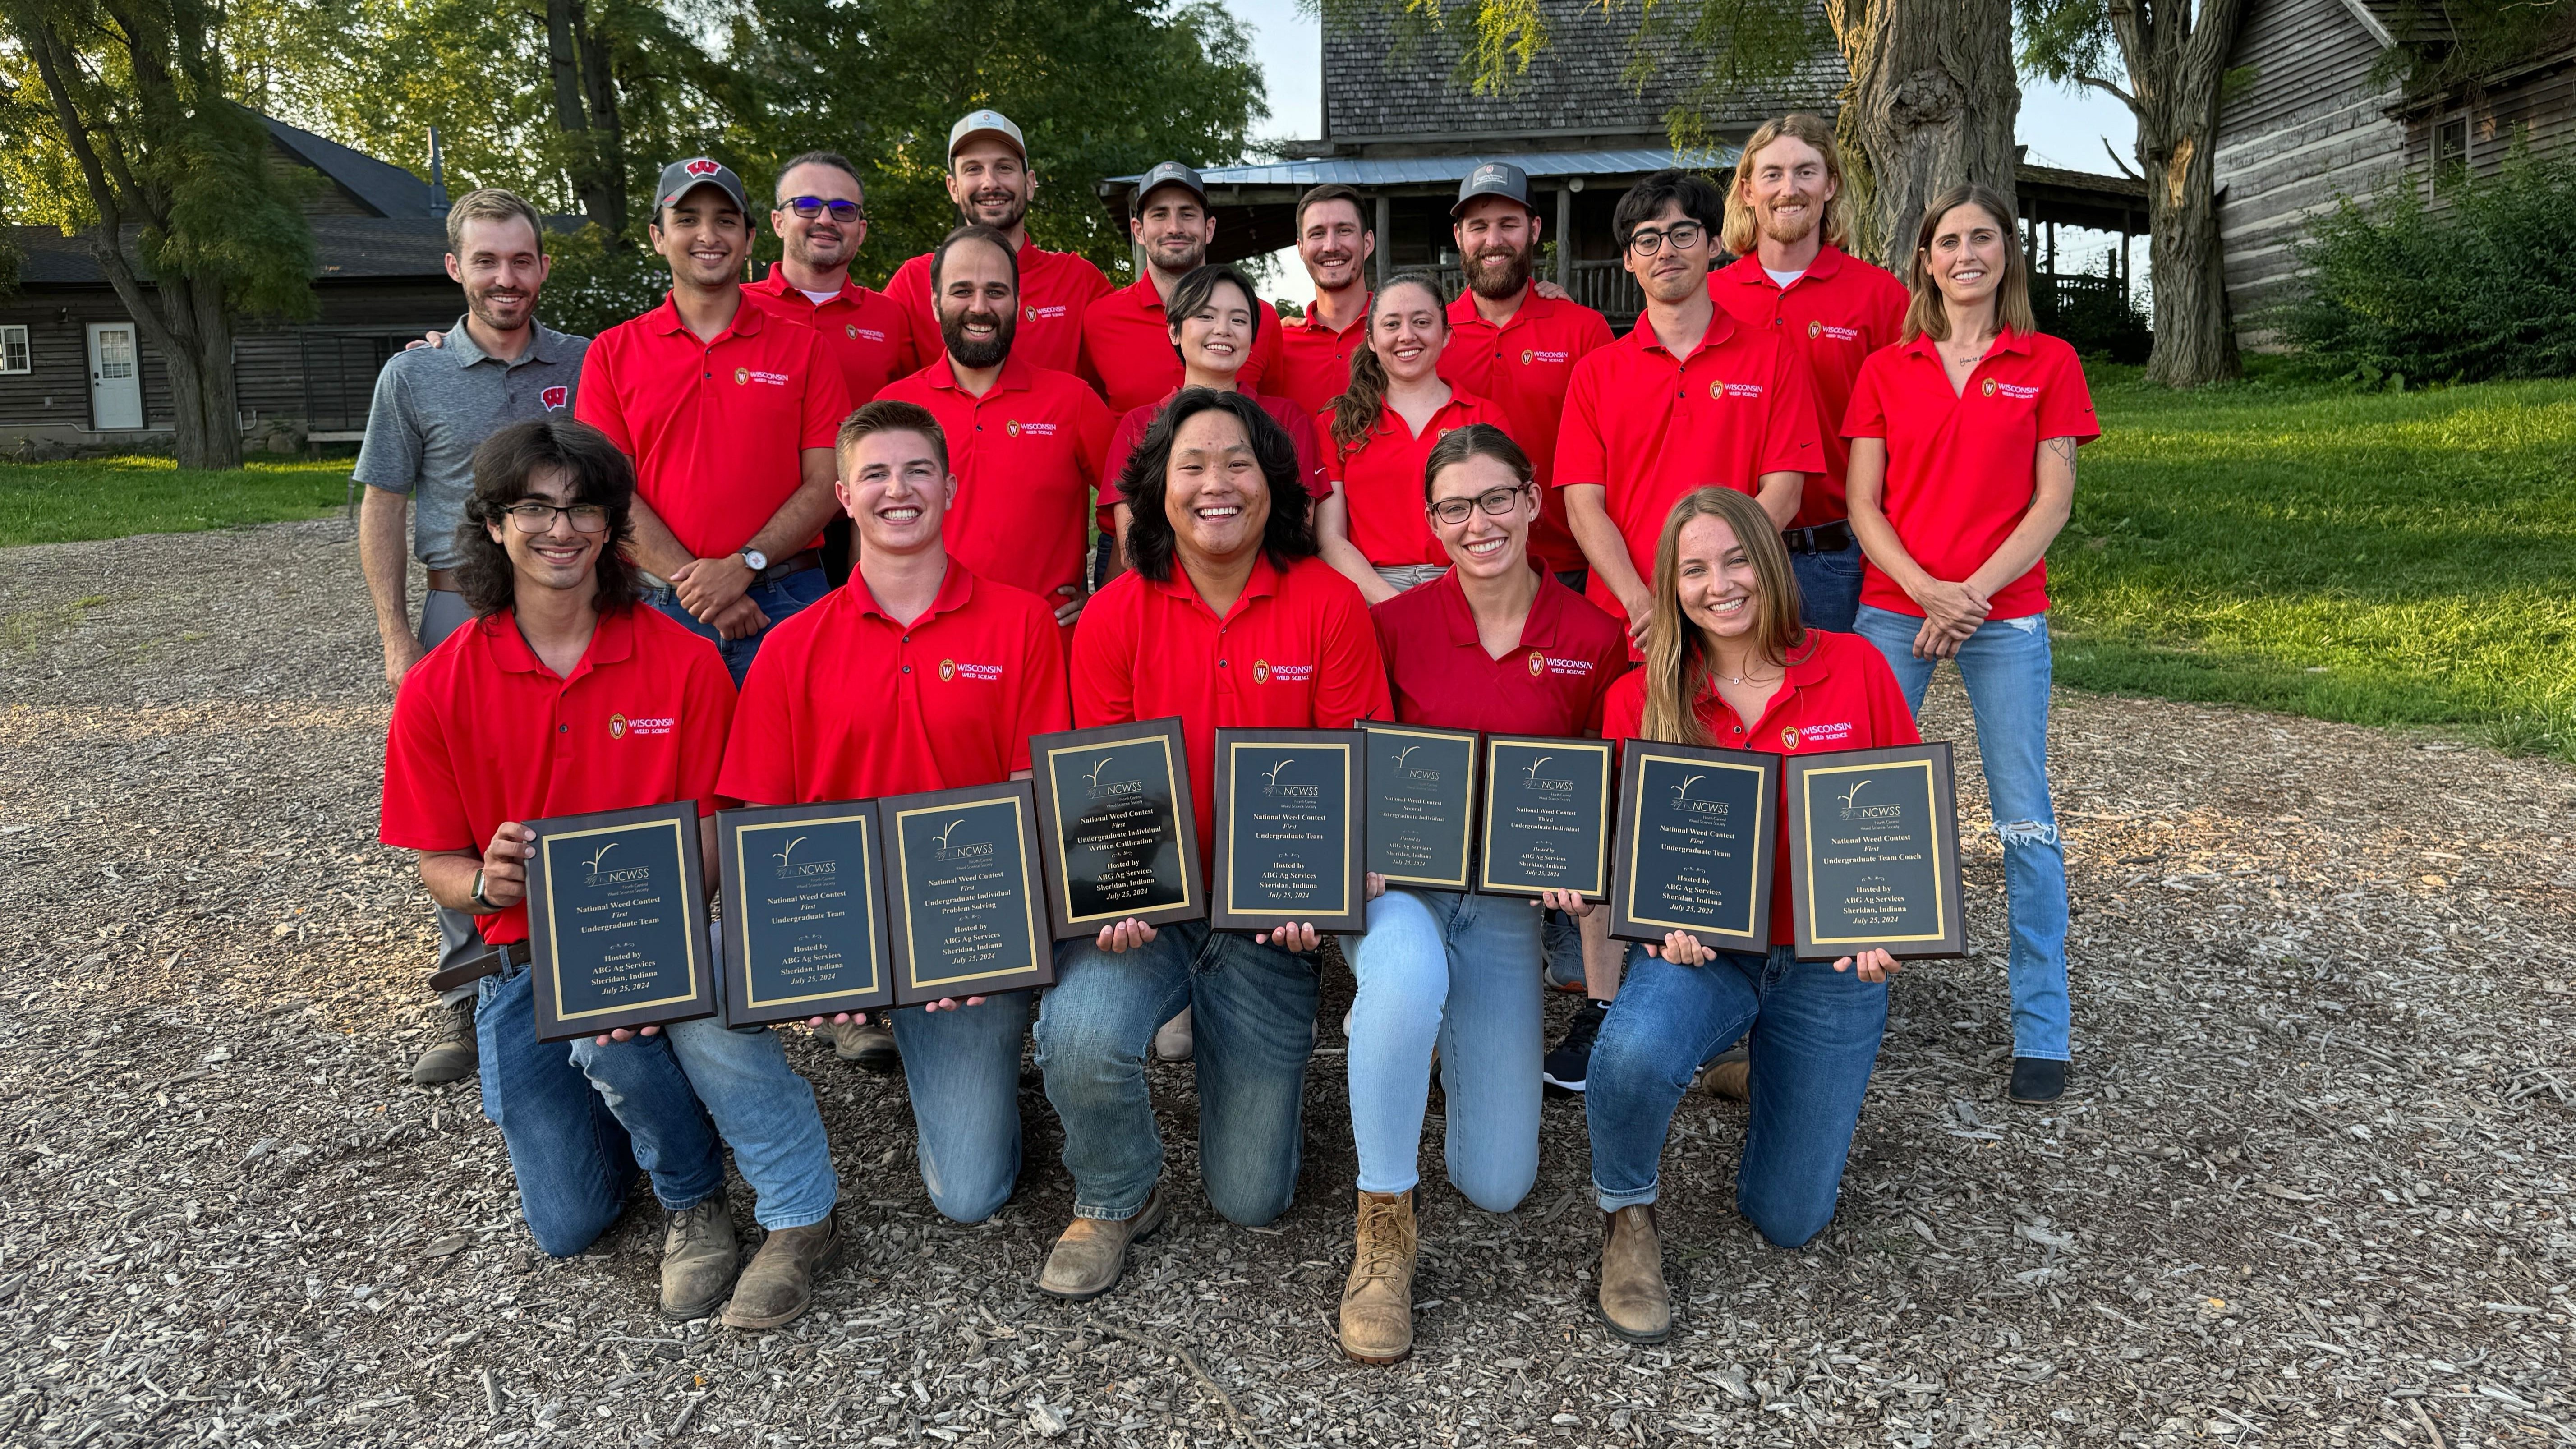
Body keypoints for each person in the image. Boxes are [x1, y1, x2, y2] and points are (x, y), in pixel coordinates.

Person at [379, 417, 842, 1329]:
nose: (561, 529)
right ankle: (662, 1111)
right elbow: (436, 863)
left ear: (611, 526)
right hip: (521, 960)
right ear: (494, 524)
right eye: (535, 509)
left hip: (665, 933)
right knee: (570, 1221)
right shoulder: (440, 684)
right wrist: (486, 885)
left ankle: (695, 1196)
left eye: (583, 508)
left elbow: (716, 824)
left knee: (620, 1031)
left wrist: (650, 943)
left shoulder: (685, 661)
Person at [1031, 389, 1390, 1302]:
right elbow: (1103, 789)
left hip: (1268, 923)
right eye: (1191, 465)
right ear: (1158, 489)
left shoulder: (1330, 605)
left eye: (1238, 462)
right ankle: (1116, 1192)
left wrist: (1323, 885)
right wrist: (1112, 894)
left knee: (1251, 1198)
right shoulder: (1115, 615)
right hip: (1153, 917)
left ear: (1274, 483)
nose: (1215, 483)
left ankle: (1264, 1092)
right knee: (1075, 1034)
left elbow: (1355, 769)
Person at [1575, 485, 1920, 1344]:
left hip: (1826, 963)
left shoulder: (1856, 668)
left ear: (1769, 563)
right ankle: (1626, 1217)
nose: (1719, 584)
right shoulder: (1641, 697)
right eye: (1694, 569)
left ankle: (1757, 1064)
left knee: (1789, 1218)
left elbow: (1902, 825)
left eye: (1736, 561)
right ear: (1671, 586)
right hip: (1705, 956)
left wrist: (1891, 922)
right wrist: (1652, 916)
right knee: (1631, 1052)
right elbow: (1618, 850)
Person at [719, 400, 1071, 1219]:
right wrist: (810, 956)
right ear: (844, 497)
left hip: (971, 928)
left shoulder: (1021, 622)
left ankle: (977, 1065)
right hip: (849, 923)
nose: (898, 489)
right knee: (690, 985)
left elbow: (1033, 793)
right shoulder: (791, 645)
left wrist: (969, 937)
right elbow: (764, 822)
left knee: (970, 1195)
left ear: (950, 487)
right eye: (874, 474)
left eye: (918, 471)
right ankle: (771, 1189)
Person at [1336, 424, 1627, 1365]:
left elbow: (1604, 787)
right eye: (1455, 507)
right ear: (1431, 524)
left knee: (1497, 1183)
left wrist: (1583, 862)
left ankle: (1420, 1044)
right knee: (1407, 972)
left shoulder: (1593, 638)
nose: (1479, 522)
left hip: (1504, 907)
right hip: (1403, 895)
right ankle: (1383, 1220)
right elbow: (1354, 765)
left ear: (1534, 500)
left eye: (1497, 498)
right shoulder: (1393, 627)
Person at [1842, 182, 2098, 1107]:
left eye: (1982, 238)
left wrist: (1971, 597)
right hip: (1895, 606)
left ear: (2006, 254)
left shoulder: (2049, 361)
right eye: (1948, 241)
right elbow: (1862, 503)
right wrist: (1927, 591)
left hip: (2005, 614)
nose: (1965, 255)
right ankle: (1842, 1004)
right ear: (1926, 259)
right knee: (1857, 805)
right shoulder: (1887, 368)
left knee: (2023, 816)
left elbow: (2053, 503)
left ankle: (2043, 1025)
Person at [355, 186, 590, 1086]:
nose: (505, 278)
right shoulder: (412, 376)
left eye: (522, 260)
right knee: (457, 804)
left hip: (568, 598)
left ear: (543, 267)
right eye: (486, 261)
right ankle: (470, 991)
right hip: (460, 603)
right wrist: (395, 636)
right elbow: (384, 505)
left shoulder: (587, 362)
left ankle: (586, 955)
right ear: (455, 267)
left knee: (570, 777)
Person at [575, 157, 850, 685]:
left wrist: (743, 566)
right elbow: (607, 493)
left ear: (750, 239)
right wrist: (702, 588)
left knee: (798, 742)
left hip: (787, 599)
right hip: (656, 603)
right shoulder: (612, 353)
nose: (708, 235)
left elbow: (826, 485)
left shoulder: (805, 349)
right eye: (687, 220)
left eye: (726, 220)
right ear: (658, 237)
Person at [1557, 168, 1822, 659]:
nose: (1666, 251)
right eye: (1648, 240)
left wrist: (1714, 588)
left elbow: (1785, 493)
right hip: (1632, 624)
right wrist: (1642, 603)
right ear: (1628, 259)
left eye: (1683, 234)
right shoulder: (1594, 373)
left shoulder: (1773, 358)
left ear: (1714, 244)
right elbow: (1583, 507)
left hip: (1738, 612)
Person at [1709, 115, 1910, 633]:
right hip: (1726, 557)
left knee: (1834, 689)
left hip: (1837, 556)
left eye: (1805, 172)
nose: (1789, 189)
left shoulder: (1881, 297)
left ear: (1831, 185)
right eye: (1772, 174)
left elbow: (1912, 431)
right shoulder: (1709, 298)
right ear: (1748, 190)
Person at [878, 225, 1115, 635]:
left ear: (1018, 304)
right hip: (929, 643)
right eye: (962, 291)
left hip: (1044, 645)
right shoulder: (894, 409)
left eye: (996, 292)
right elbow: (867, 528)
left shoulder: (1073, 401)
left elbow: (1136, 502)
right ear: (935, 303)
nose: (980, 307)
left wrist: (1108, 600)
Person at [1435, 162, 1614, 592]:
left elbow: (1618, 454)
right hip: (1460, 563)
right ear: (1459, 236)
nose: (1493, 240)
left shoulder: (1583, 330)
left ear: (1534, 230)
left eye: (1508, 224)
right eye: (1478, 227)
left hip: (1570, 564)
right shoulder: (1432, 337)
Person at [745, 150, 917, 590]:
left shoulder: (891, 318)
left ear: (861, 230)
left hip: (867, 528)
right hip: (763, 535)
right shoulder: (739, 309)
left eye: (843, 209)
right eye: (807, 205)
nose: (825, 219)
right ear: (778, 221)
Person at [1314, 272, 1509, 603]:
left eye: (1421, 322)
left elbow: (1500, 521)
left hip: (1468, 587)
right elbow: (1329, 538)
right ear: (1371, 339)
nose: (1407, 336)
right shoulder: (1337, 423)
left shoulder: (1485, 418)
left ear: (1446, 334)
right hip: (1368, 592)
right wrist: (1394, 605)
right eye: (1392, 325)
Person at [882, 110, 1113, 377]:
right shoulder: (912, 282)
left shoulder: (1079, 281)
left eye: (1004, 168)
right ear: (953, 188)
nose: (990, 183)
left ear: (1030, 184)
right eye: (973, 169)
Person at [1080, 162, 1281, 415]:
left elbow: (1275, 419)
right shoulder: (1100, 320)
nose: (1174, 228)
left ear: (1209, 229)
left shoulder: (1260, 319)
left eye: (1187, 214)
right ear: (1139, 231)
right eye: (1160, 215)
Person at [1269, 184, 1376, 419]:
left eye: (1344, 230)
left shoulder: (1400, 338)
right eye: (1317, 234)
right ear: (1301, 249)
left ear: (1368, 243)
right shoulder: (1277, 345)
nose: (1331, 246)